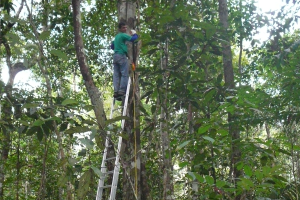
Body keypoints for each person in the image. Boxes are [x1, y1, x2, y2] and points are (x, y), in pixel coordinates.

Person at [110, 22, 138, 100]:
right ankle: (122, 91)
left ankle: (116, 91)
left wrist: (119, 46)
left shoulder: (116, 37)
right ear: (120, 29)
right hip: (121, 56)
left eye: (126, 27)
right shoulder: (122, 35)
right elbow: (133, 39)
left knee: (116, 75)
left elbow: (112, 46)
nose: (125, 29)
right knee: (124, 74)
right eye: (123, 28)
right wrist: (135, 34)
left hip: (115, 56)